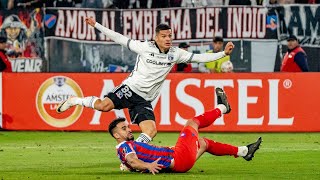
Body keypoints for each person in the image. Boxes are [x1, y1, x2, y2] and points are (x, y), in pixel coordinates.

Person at [56, 17, 235, 144]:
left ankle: (132, 153)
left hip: (144, 99)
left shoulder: (175, 54)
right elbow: (119, 38)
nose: (168, 39)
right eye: (164, 36)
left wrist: (223, 54)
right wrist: (97, 25)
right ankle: (75, 101)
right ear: (156, 37)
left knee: (151, 131)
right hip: (130, 88)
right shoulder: (144, 47)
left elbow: (199, 58)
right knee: (104, 106)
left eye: (170, 36)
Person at [109, 88, 262, 174]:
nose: (129, 129)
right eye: (124, 129)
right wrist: (147, 166)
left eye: (128, 126)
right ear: (116, 135)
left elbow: (130, 162)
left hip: (180, 164)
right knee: (192, 122)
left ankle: (243, 151)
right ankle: (223, 108)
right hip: (178, 157)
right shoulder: (125, 147)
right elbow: (132, 160)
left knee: (204, 143)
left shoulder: (124, 149)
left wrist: (137, 167)